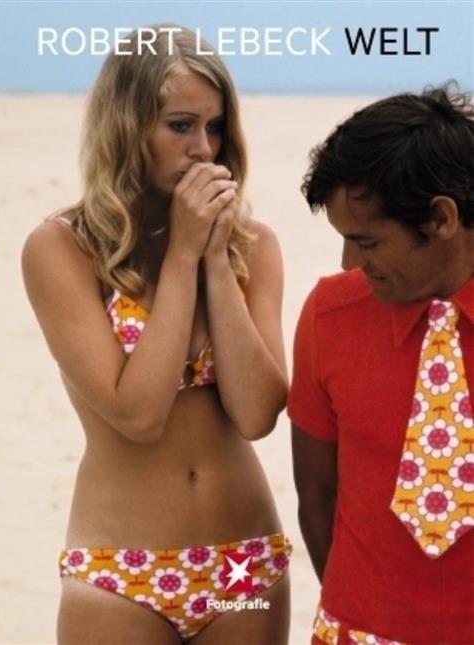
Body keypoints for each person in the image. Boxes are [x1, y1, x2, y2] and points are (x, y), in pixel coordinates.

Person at [22, 25, 291, 645]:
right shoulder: (62, 249)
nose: (203, 149)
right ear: (127, 127)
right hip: (120, 570)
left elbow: (257, 415)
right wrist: (181, 256)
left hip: (244, 563)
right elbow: (138, 415)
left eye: (215, 127)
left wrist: (215, 260)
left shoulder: (255, 248)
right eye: (180, 125)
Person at [289, 85, 474, 644]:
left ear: (440, 217)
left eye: (366, 242)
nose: (350, 262)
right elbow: (316, 497)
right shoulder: (329, 314)